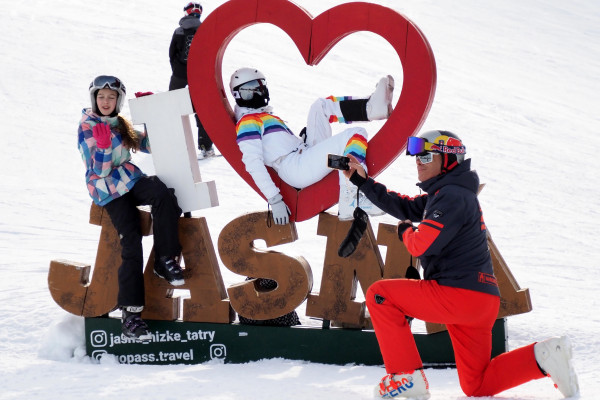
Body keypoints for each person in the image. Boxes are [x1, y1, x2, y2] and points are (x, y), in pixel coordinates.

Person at [342, 130, 579, 399]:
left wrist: (405, 232)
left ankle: (406, 378)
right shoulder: (448, 194)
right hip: (480, 302)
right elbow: (404, 206)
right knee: (477, 385)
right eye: (416, 157)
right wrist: (362, 182)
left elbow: (421, 244)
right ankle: (545, 356)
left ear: (448, 160)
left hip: (457, 295)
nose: (418, 161)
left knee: (380, 294)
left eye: (426, 156)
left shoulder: (451, 196)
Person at [78, 75, 186, 342]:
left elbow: (150, 144)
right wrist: (103, 147)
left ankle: (164, 259)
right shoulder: (87, 127)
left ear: (118, 100)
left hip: (128, 179)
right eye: (101, 97)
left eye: (111, 97)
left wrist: (154, 115)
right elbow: (99, 171)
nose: (106, 101)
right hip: (107, 189)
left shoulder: (120, 124)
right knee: (131, 240)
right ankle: (131, 314)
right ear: (94, 99)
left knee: (163, 194)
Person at [231, 67, 395, 224]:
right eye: (249, 90)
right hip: (296, 168)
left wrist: (302, 139)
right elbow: (253, 162)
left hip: (303, 155)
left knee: (320, 107)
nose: (258, 93)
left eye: (260, 86)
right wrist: (274, 199)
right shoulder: (247, 122)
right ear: (238, 95)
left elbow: (277, 145)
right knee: (355, 134)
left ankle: (370, 108)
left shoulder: (263, 116)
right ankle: (352, 196)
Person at [169, 2, 215, 159]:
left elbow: (172, 53)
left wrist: (177, 70)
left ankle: (170, 146)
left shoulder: (179, 30)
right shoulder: (205, 29)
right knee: (201, 110)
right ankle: (206, 147)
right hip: (199, 75)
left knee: (172, 107)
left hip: (179, 74)